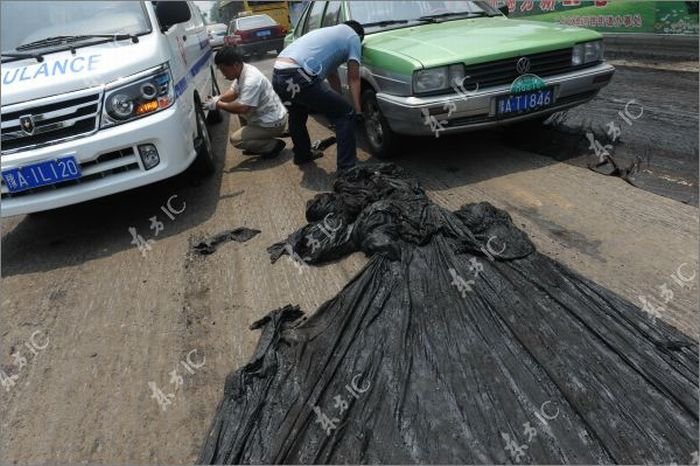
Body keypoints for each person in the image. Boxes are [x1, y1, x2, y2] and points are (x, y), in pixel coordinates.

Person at [272, 20, 364, 173]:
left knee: (297, 114)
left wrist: (337, 102)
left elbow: (332, 76)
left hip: (278, 75)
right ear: (359, 36)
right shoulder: (353, 37)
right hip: (297, 75)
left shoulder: (330, 34)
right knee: (346, 113)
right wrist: (357, 109)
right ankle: (347, 167)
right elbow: (354, 78)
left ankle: (302, 155)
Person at [204, 47, 288, 158]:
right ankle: (255, 142)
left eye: (224, 70)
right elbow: (233, 92)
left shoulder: (251, 80)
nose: (223, 74)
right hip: (268, 116)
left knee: (236, 140)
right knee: (238, 108)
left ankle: (272, 145)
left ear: (235, 65)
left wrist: (218, 104)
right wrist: (217, 99)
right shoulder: (243, 70)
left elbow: (242, 108)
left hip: (272, 122)